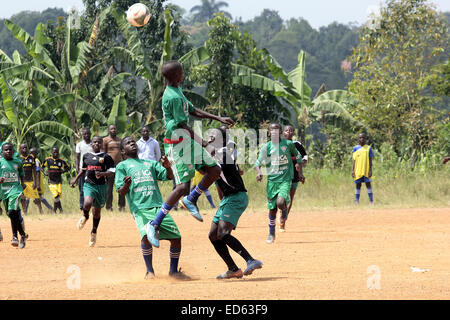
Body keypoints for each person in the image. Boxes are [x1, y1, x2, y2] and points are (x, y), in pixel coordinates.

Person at [145, 60, 234, 247]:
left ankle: (192, 199)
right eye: (181, 72)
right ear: (177, 76)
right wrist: (202, 143)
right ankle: (154, 224)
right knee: (181, 188)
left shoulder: (178, 91)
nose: (183, 74)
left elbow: (193, 111)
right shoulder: (173, 97)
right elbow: (182, 126)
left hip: (187, 141)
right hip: (177, 145)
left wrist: (217, 118)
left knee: (214, 170)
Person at [115, 136, 190, 280]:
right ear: (123, 151)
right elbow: (120, 191)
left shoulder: (149, 163)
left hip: (159, 208)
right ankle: (149, 271)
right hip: (141, 208)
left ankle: (173, 271)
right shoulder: (122, 167)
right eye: (128, 143)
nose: (132, 143)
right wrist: (126, 185)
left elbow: (168, 176)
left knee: (176, 238)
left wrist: (168, 167)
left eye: (133, 142)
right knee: (145, 237)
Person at [207, 127, 263, 279]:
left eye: (214, 136)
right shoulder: (214, 156)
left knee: (223, 233)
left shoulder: (223, 153)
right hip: (228, 199)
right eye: (209, 135)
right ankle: (233, 269)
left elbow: (210, 170)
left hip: (236, 196)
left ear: (223, 141)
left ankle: (251, 260)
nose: (210, 138)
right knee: (213, 235)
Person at [255, 123, 302, 244]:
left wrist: (300, 172)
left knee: (280, 202)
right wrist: (259, 172)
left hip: (285, 180)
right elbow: (258, 162)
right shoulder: (267, 147)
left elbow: (298, 157)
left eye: (277, 130)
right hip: (272, 182)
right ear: (269, 133)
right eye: (272, 130)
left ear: (281, 132)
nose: (274, 132)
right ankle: (271, 233)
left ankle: (284, 209)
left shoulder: (288, 144)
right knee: (272, 210)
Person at [71, 136, 115, 247]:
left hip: (101, 187)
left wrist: (103, 174)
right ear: (92, 144)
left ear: (101, 145)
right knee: (87, 203)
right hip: (89, 185)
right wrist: (75, 180)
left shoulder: (106, 157)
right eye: (94, 142)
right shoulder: (86, 156)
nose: (96, 144)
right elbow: (83, 170)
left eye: (99, 142)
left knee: (96, 212)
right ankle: (85, 216)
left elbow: (112, 172)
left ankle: (94, 232)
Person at [0, 143, 27, 248]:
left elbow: (21, 173)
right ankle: (22, 235)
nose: (8, 151)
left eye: (10, 150)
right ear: (2, 152)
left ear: (13, 151)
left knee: (12, 212)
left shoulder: (18, 162)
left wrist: (23, 182)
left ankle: (15, 237)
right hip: (4, 191)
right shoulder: (0, 162)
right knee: (12, 214)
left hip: (15, 190)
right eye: (6, 150)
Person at [282, 125, 307, 232]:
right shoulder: (279, 144)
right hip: (282, 175)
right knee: (282, 197)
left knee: (290, 198)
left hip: (295, 175)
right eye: (287, 130)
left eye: (291, 130)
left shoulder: (297, 144)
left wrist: (301, 165)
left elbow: (304, 156)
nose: (289, 132)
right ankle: (280, 215)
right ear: (283, 133)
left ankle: (283, 221)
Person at [103, 124, 125, 212]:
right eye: (111, 129)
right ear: (109, 130)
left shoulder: (120, 140)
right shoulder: (105, 140)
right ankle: (109, 207)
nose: (113, 130)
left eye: (115, 129)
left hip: (119, 167)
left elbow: (123, 153)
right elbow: (103, 154)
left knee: (122, 187)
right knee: (109, 188)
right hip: (110, 167)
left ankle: (122, 206)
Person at [42, 146, 70, 213]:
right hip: (51, 181)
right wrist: (44, 172)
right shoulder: (48, 160)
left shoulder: (61, 161)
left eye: (57, 152)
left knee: (57, 196)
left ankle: (60, 210)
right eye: (54, 152)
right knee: (56, 195)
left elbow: (68, 168)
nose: (55, 154)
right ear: (51, 152)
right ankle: (55, 211)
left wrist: (62, 171)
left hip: (59, 181)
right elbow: (41, 167)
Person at [19, 143, 42, 215]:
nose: (25, 149)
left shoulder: (31, 158)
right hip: (22, 182)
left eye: (26, 148)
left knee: (37, 197)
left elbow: (34, 170)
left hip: (31, 181)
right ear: (20, 149)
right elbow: (18, 172)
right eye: (23, 148)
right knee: (22, 198)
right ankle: (24, 212)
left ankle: (41, 211)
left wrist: (36, 182)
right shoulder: (19, 159)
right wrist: (20, 183)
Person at [352, 133, 374, 205]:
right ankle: (356, 201)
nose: (362, 139)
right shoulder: (355, 148)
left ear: (366, 139)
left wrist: (370, 170)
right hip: (358, 170)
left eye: (363, 138)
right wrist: (352, 170)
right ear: (358, 139)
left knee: (368, 184)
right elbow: (354, 160)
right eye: (360, 138)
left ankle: (371, 201)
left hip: (366, 170)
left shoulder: (368, 148)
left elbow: (370, 160)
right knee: (358, 185)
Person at [29, 148, 54, 212]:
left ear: (36, 154)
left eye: (33, 153)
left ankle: (50, 208)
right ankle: (42, 210)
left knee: (35, 196)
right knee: (37, 197)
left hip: (36, 182)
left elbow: (37, 172)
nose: (31, 154)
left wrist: (37, 184)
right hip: (33, 181)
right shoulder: (32, 160)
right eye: (30, 153)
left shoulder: (36, 161)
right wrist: (45, 173)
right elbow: (40, 168)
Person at [75, 127, 93, 212]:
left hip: (92, 169)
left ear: (90, 134)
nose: (86, 135)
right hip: (82, 169)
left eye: (88, 134)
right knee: (81, 188)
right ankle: (82, 206)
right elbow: (77, 157)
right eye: (85, 134)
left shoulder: (93, 144)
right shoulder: (79, 145)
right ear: (82, 135)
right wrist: (77, 167)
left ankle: (91, 205)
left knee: (92, 187)